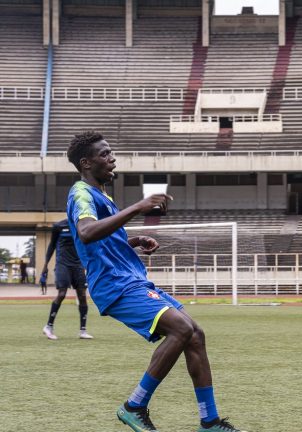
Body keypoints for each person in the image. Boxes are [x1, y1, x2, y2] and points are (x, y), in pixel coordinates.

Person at [65, 131, 245, 432]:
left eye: (112, 153)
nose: (112, 158)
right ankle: (134, 406)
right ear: (86, 163)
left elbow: (103, 239)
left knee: (195, 335)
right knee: (182, 328)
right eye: (105, 154)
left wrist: (133, 240)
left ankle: (210, 422)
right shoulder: (81, 193)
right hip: (114, 284)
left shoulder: (103, 196)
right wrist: (138, 207)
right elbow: (86, 232)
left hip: (131, 279)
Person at [41, 219, 94, 340]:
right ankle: (48, 327)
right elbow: (51, 246)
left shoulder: (82, 226)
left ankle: (83, 331)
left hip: (78, 265)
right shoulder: (58, 226)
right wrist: (45, 265)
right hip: (62, 264)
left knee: (82, 295)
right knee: (62, 293)